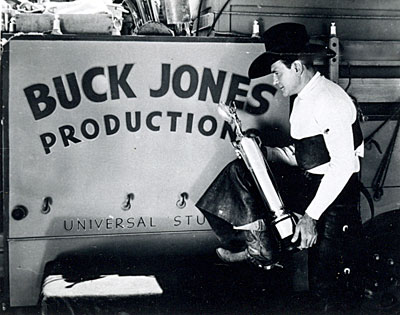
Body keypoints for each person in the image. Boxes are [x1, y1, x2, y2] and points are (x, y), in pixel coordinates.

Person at [196, 22, 365, 312]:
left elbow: (344, 165)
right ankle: (256, 245)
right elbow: (307, 154)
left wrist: (310, 216)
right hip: (315, 188)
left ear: (297, 66)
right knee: (240, 172)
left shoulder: (329, 100)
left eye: (277, 72)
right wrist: (266, 153)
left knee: (329, 286)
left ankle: (261, 247)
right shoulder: (304, 98)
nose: (275, 81)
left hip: (337, 200)